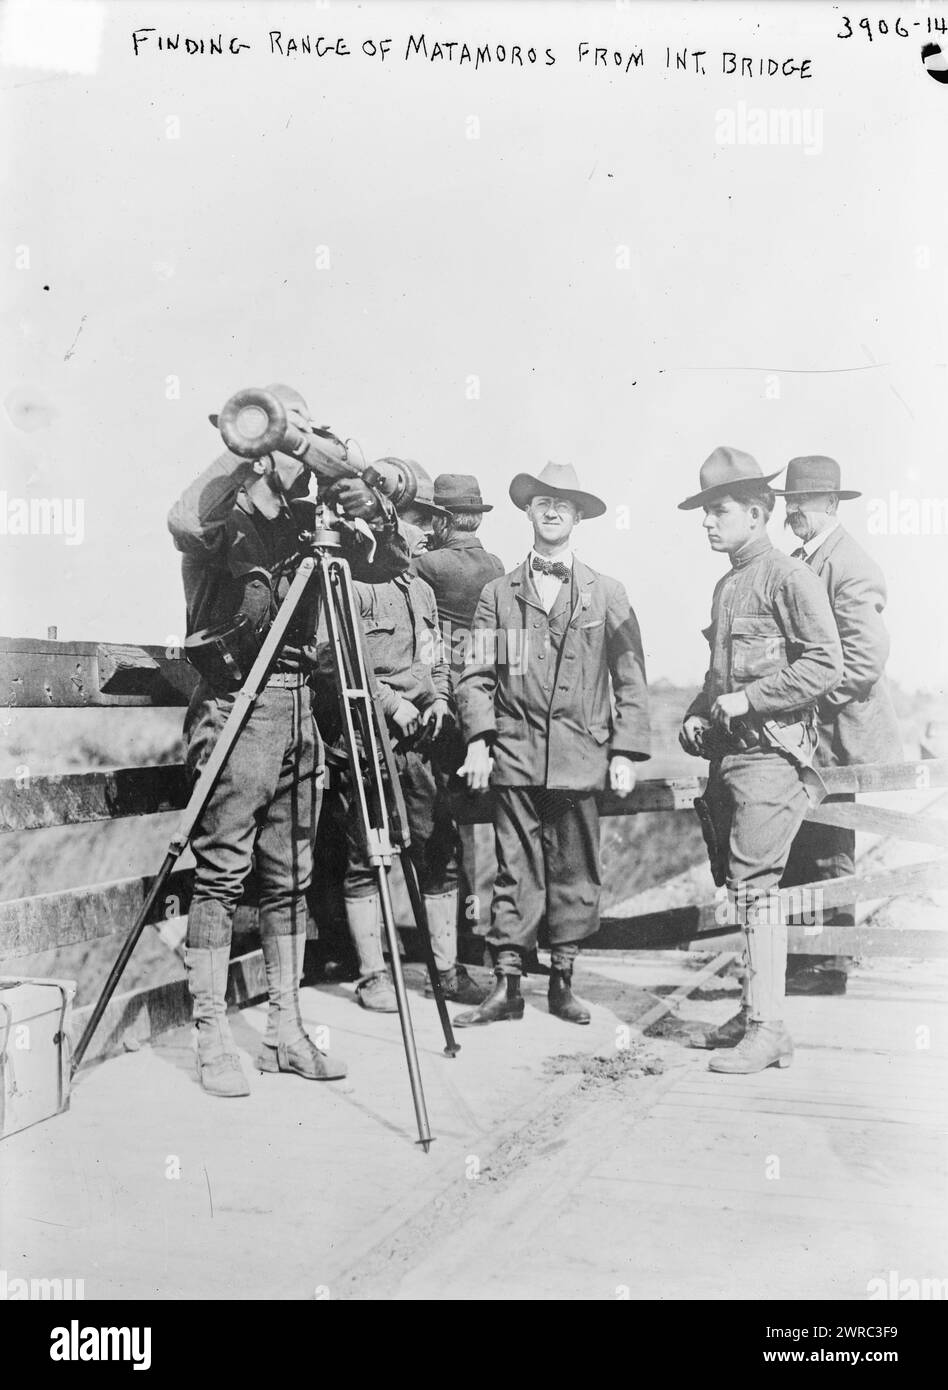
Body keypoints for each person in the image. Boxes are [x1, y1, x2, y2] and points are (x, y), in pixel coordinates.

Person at [168, 384, 409, 1097]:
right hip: (239, 701)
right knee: (220, 873)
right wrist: (249, 442)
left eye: (301, 433)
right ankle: (211, 1034)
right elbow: (184, 518)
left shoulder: (318, 520)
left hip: (303, 701)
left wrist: (346, 478)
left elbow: (392, 559)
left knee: (292, 876)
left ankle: (285, 1029)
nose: (292, 447)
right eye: (281, 433)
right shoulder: (228, 516)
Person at [453, 462, 650, 1027]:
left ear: (580, 514)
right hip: (514, 757)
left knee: (575, 873)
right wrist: (478, 740)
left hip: (581, 758)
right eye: (543, 500)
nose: (554, 508)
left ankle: (563, 982)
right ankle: (507, 986)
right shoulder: (497, 594)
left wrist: (624, 752)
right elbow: (476, 674)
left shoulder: (608, 593)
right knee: (513, 870)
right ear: (529, 511)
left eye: (565, 501)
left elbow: (631, 675)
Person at [677, 446, 843, 1073]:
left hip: (772, 757)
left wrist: (751, 698)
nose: (708, 522)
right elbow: (718, 675)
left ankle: (767, 1028)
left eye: (718, 510)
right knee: (741, 886)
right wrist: (698, 710)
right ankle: (757, 1016)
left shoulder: (788, 578)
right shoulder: (728, 585)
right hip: (731, 761)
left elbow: (826, 662)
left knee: (755, 890)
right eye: (705, 511)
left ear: (755, 512)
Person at [317, 482, 488, 1010]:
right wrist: (392, 704)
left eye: (414, 525)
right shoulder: (345, 586)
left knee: (439, 851)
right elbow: (336, 660)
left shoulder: (420, 590)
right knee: (367, 857)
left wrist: (438, 696)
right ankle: (373, 975)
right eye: (400, 524)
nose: (411, 535)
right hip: (369, 741)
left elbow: (436, 653)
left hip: (424, 743)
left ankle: (447, 970)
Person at [775, 456, 903, 995]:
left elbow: (865, 661)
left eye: (802, 502)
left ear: (830, 504)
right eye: (789, 502)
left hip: (838, 737)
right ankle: (805, 956)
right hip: (812, 739)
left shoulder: (848, 564)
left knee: (829, 848)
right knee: (802, 844)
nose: (793, 511)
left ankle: (830, 965)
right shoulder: (805, 559)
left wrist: (802, 700)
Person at [410, 474, 506, 681]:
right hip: (483, 680)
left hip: (443, 682)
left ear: (442, 520)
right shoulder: (496, 564)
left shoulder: (427, 564)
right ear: (478, 519)